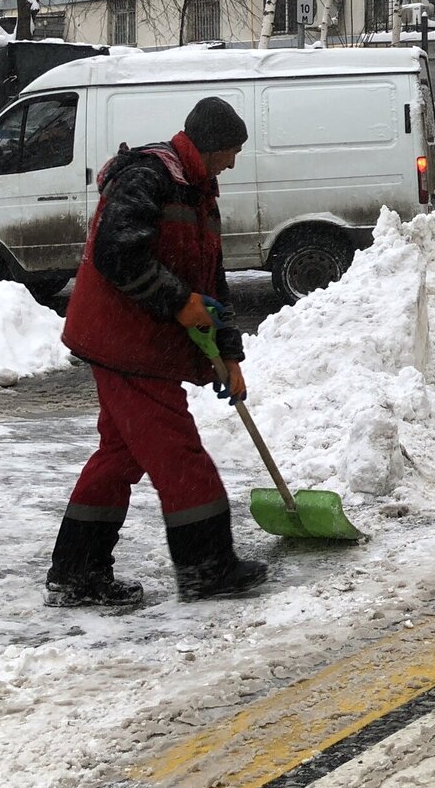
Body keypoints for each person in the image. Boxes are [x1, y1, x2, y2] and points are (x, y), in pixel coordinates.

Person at [45, 97, 268, 611]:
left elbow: (212, 283)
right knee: (178, 454)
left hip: (138, 343)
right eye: (231, 151)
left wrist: (229, 354)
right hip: (123, 342)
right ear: (209, 146)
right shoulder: (149, 177)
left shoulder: (199, 191)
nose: (233, 162)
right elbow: (116, 252)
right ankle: (207, 569)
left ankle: (77, 572)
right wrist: (179, 301)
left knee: (119, 456)